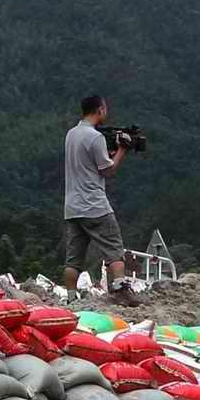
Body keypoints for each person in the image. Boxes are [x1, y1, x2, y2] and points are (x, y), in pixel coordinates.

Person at [61, 95, 129, 291]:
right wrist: (121, 151)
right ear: (99, 109)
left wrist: (107, 155)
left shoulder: (71, 134)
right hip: (94, 205)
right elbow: (108, 170)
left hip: (73, 207)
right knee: (115, 252)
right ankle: (120, 292)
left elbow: (87, 162)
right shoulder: (95, 137)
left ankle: (71, 298)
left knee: (73, 260)